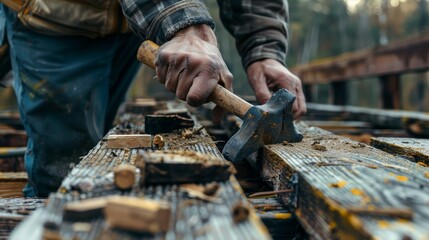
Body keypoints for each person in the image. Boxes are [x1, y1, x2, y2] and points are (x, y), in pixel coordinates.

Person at [0, 0, 306, 197]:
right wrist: (186, 26)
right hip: (51, 20)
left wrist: (264, 49)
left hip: (128, 22)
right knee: (63, 177)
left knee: (91, 150)